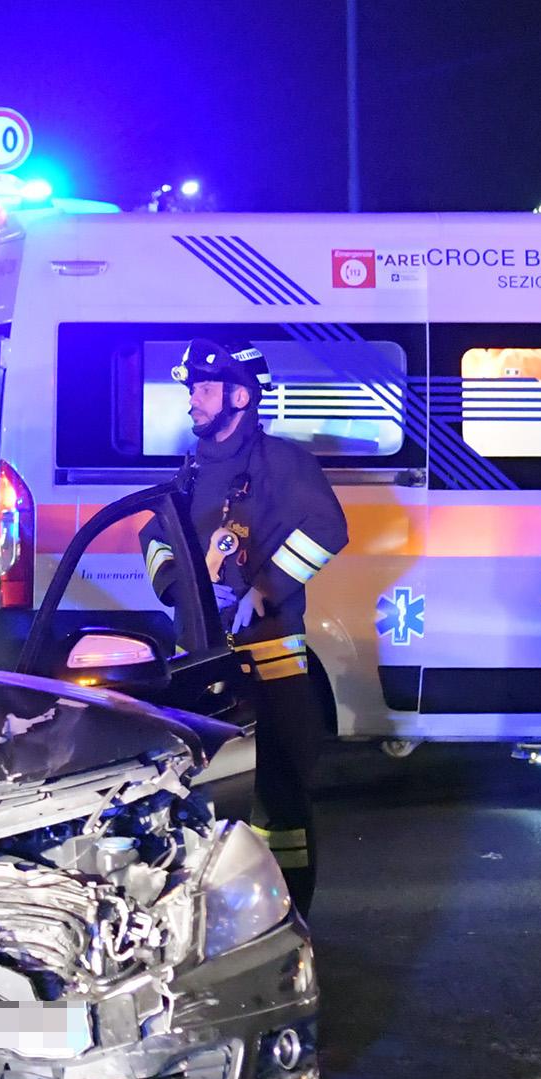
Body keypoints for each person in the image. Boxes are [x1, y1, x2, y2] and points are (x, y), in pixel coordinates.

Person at [138, 338, 347, 908]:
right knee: (199, 796)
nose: (192, 402)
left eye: (203, 390)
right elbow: (154, 535)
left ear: (239, 396)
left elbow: (328, 529)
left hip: (273, 660)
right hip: (201, 663)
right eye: (191, 391)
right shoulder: (191, 471)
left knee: (281, 797)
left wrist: (265, 587)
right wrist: (178, 589)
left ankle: (290, 916)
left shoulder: (285, 464)